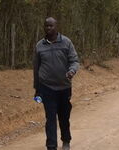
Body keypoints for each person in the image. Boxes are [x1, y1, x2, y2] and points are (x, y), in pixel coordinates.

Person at [33, 17, 79, 150]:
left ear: (56, 26)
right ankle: (51, 145)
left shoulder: (66, 42)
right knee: (50, 117)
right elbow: (36, 68)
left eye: (51, 26)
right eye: (46, 26)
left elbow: (74, 61)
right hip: (47, 88)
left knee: (64, 117)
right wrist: (37, 88)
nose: (48, 28)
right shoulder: (39, 46)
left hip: (64, 87)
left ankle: (66, 141)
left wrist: (72, 71)